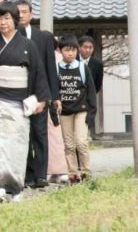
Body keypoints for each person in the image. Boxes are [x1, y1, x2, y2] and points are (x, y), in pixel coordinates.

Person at [0, 2, 50, 201]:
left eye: (7, 18)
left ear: (15, 20)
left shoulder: (28, 45)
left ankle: (15, 186)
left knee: (17, 144)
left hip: (19, 102)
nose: (3, 23)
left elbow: (38, 73)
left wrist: (42, 99)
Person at [15, 0, 59, 189]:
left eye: (25, 12)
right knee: (22, 134)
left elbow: (51, 67)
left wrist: (53, 96)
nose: (21, 15)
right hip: (18, 93)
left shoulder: (44, 37)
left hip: (40, 93)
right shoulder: (11, 37)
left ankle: (41, 175)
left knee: (40, 135)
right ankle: (27, 173)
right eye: (18, 12)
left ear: (31, 14)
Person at [57, 35, 97, 183]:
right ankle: (72, 174)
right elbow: (54, 91)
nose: (70, 53)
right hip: (65, 111)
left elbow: (91, 91)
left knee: (81, 142)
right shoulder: (56, 68)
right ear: (61, 51)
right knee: (68, 144)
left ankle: (86, 173)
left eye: (73, 50)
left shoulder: (82, 68)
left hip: (81, 110)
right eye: (67, 50)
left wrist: (92, 113)